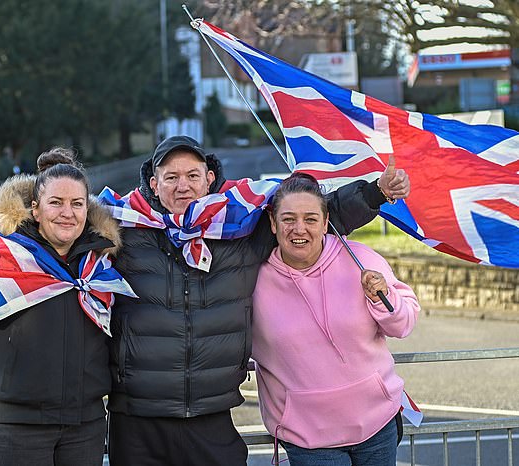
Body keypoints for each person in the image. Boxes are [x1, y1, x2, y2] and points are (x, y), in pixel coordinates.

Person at [102, 135, 410, 466]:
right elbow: (63, 228)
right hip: (136, 415)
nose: (183, 186)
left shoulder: (238, 227)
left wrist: (375, 193)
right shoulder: (121, 229)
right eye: (171, 177)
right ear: (153, 182)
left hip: (211, 411)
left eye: (192, 176)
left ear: (209, 179)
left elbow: (312, 213)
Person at [0, 148, 131, 466]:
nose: (67, 213)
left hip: (86, 422)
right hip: (21, 425)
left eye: (77, 204)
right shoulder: (3, 256)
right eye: (55, 203)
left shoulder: (101, 263)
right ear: (35, 207)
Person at [251, 172, 421, 466]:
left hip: (377, 425)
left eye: (310, 218)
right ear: (272, 223)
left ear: (326, 220)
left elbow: (403, 324)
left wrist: (383, 298)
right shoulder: (251, 280)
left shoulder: (360, 258)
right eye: (288, 219)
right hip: (308, 438)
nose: (299, 229)